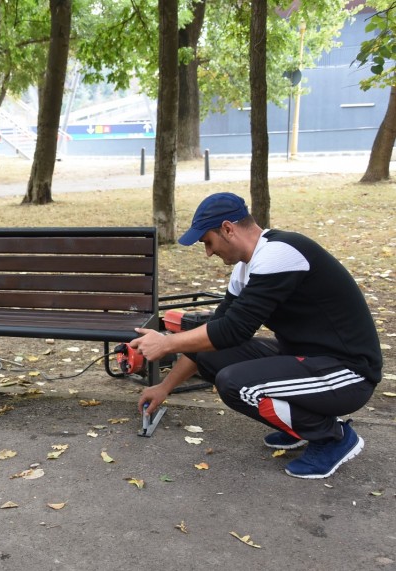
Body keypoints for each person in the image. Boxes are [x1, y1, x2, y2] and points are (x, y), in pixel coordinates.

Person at [133, 192, 382, 479]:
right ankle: (301, 425)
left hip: (349, 373)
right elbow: (216, 329)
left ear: (228, 229)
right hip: (307, 360)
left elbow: (234, 329)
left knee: (235, 383)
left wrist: (166, 343)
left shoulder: (281, 253)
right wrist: (164, 387)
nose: (209, 253)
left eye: (208, 242)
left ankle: (332, 438)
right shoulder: (246, 268)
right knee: (210, 357)